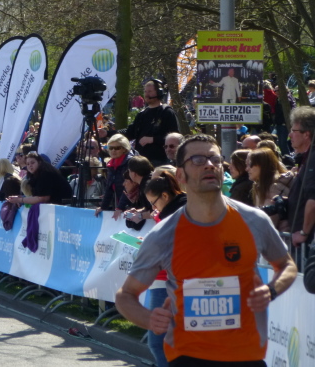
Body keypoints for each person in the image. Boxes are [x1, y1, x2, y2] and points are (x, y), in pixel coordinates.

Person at [115, 134, 297, 367]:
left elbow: (287, 265)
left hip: (246, 356)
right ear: (181, 175)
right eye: (198, 160)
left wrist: (271, 290)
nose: (210, 165)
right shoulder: (164, 235)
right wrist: (148, 318)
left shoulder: (253, 220)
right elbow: (125, 294)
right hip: (188, 357)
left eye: (215, 159)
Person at [143, 171, 187, 367]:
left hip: (170, 280)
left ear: (165, 196)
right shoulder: (174, 210)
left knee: (158, 342)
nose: (154, 208)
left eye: (154, 203)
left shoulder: (178, 212)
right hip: (166, 279)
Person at [116, 80, 179, 166]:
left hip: (160, 161)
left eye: (149, 91)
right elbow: (130, 132)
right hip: (141, 160)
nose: (146, 94)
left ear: (159, 92)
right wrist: (109, 133)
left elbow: (175, 138)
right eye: (145, 91)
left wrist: (153, 139)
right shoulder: (142, 114)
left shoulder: (167, 112)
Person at [287, 107, 315, 251]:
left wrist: (304, 232)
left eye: (294, 131)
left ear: (306, 134)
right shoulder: (307, 157)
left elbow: (313, 200)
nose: (289, 135)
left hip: (308, 244)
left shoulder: (313, 159)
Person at [246, 147, 293, 230]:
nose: (247, 169)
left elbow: (269, 224)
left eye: (250, 165)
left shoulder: (274, 188)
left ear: (262, 165)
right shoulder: (260, 186)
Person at [6, 152, 72, 206]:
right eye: (28, 164)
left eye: (32, 163)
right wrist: (20, 198)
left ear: (39, 162)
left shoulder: (45, 174)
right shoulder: (36, 175)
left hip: (62, 207)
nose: (30, 165)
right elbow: (37, 196)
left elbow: (43, 198)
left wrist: (20, 200)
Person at [95, 134, 135, 216]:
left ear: (124, 149)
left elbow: (129, 189)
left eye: (117, 148)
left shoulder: (131, 162)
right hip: (120, 206)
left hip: (133, 206)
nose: (113, 150)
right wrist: (103, 207)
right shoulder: (111, 164)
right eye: (111, 148)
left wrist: (120, 207)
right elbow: (109, 188)